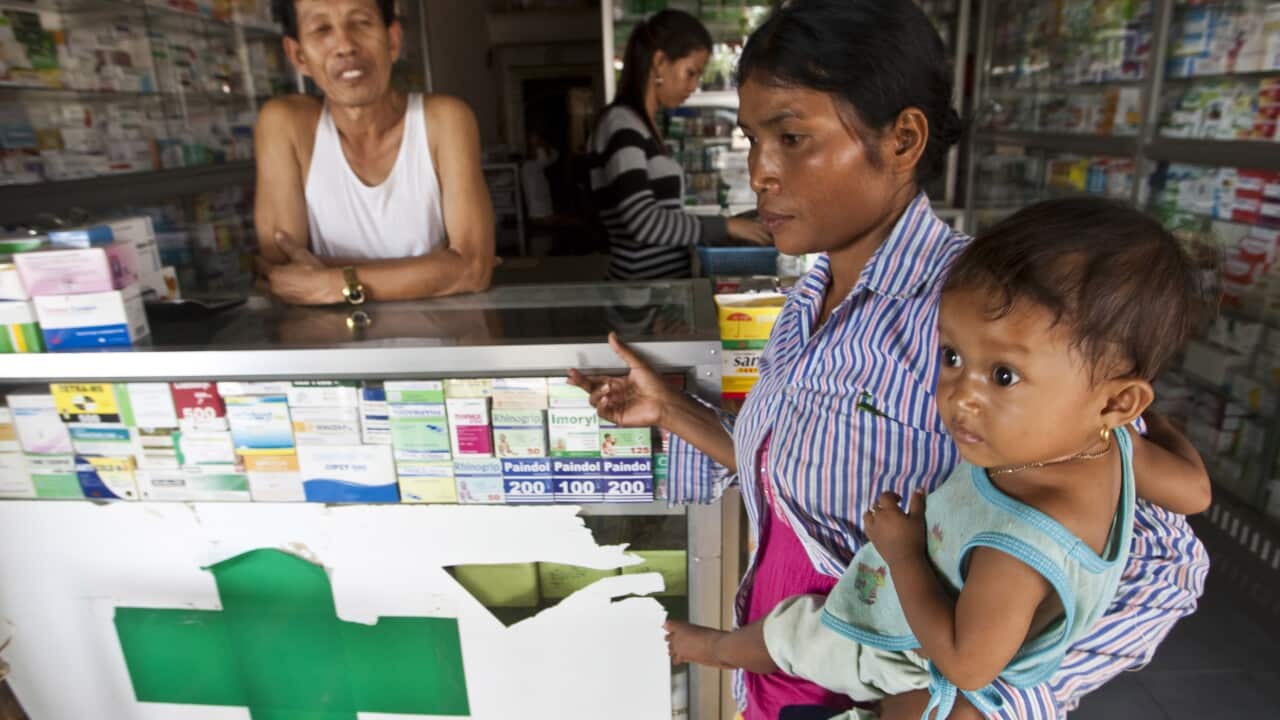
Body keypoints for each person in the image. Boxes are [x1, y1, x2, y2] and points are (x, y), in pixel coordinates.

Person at [568, 2, 1209, 719]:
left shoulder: (992, 322)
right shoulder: (812, 293)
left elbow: (1162, 568)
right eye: (753, 138)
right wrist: (673, 413)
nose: (761, 171)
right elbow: (804, 472)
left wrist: (980, 700)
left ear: (903, 138)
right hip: (787, 675)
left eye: (791, 136)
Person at [663, 197, 1213, 720]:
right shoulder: (1110, 441)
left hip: (905, 651)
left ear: (1119, 400)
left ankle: (711, 647)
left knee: (798, 636)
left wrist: (903, 553)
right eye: (952, 356)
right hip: (913, 616)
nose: (959, 396)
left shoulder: (1019, 545)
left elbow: (964, 665)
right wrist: (1158, 425)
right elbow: (1195, 492)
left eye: (1003, 376)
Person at [253, 0, 495, 305]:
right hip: (335, 347)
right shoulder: (285, 124)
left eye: (361, 23)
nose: (345, 46)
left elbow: (473, 269)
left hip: (444, 344)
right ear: (298, 55)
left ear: (392, 40)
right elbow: (283, 277)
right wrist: (438, 269)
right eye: (321, 29)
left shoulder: (445, 120)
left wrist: (331, 282)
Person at [588, 9, 771, 280]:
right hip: (640, 295)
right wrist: (727, 226)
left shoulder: (643, 126)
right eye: (691, 72)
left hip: (660, 292)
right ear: (660, 62)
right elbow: (643, 221)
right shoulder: (621, 124)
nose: (694, 85)